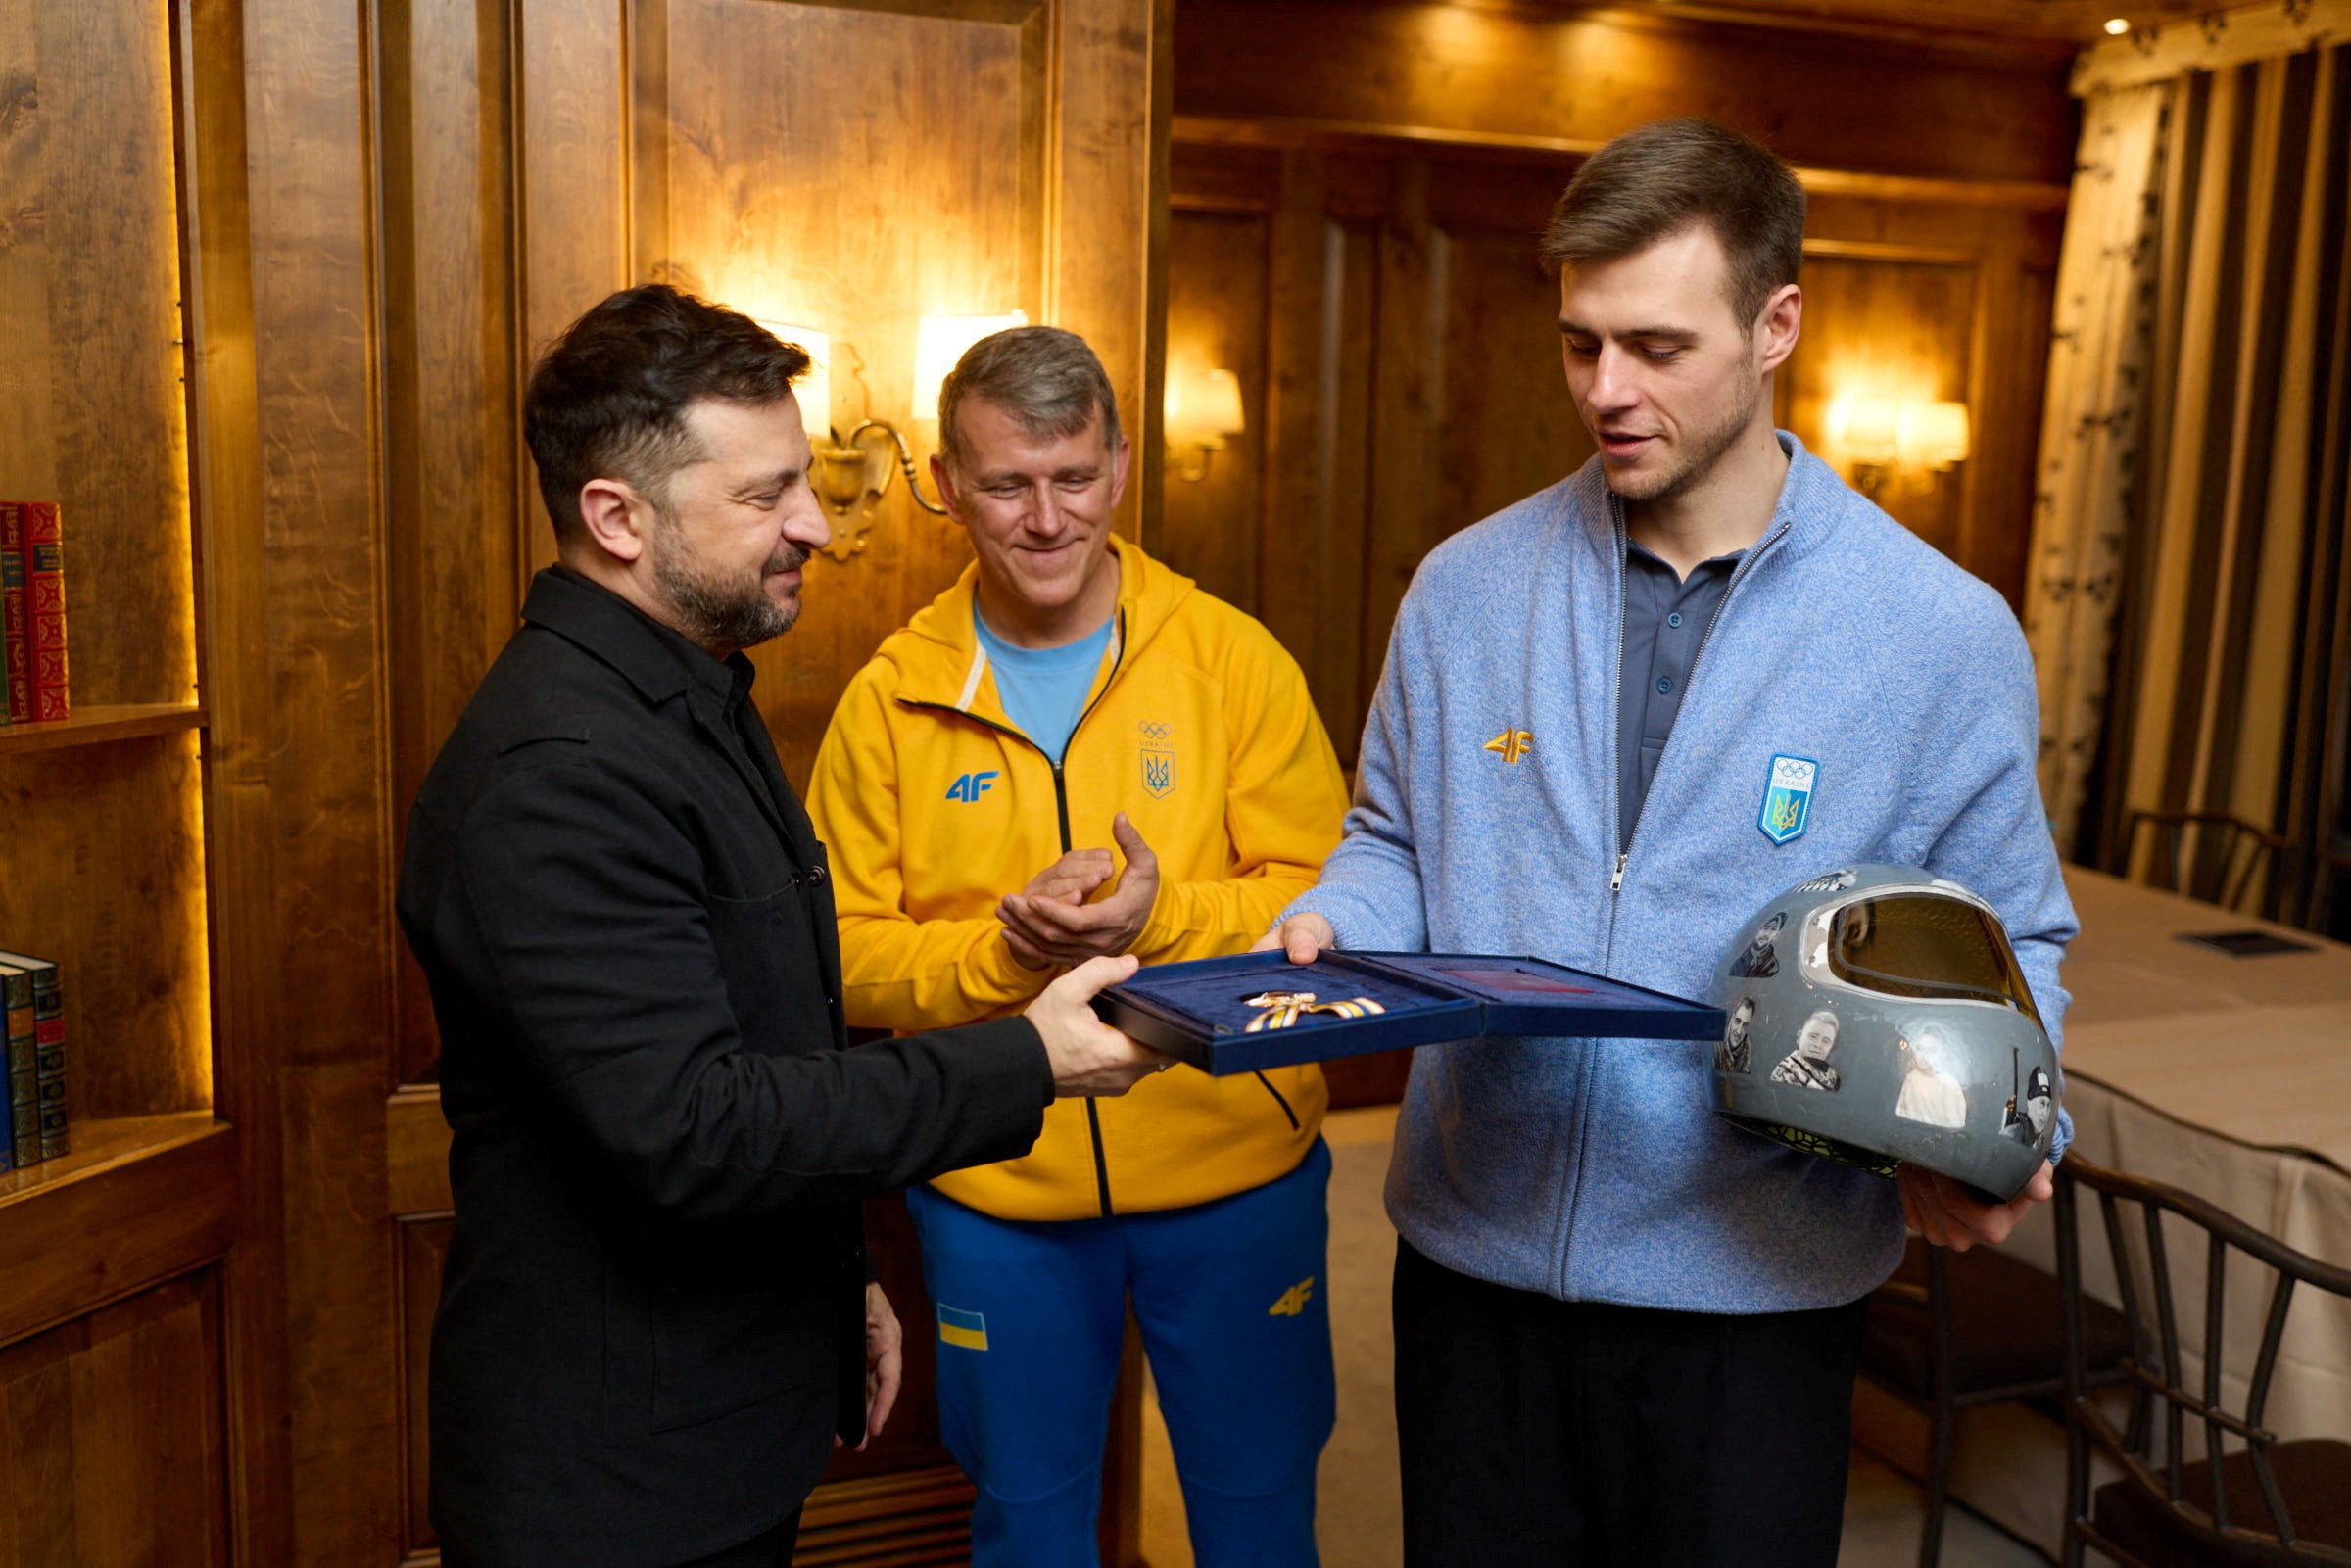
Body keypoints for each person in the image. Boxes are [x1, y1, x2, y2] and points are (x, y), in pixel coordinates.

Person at [1260, 118, 2078, 1567]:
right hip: (1475, 1273)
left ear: (1777, 325)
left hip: (1757, 1298)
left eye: (1655, 346)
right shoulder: (1464, 586)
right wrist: (1341, 911)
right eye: (1581, 344)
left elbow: (2013, 938)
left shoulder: (1938, 630)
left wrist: (1999, 1134)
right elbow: (1391, 829)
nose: (1607, 391)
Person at [396, 285, 1164, 1568]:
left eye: (804, 480)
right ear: (616, 517)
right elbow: (697, 1125)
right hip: (614, 1479)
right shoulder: (560, 773)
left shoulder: (686, 690)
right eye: (764, 497)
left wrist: (836, 1280)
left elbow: (771, 1031)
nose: (815, 523)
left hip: (728, 1411)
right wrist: (1033, 1055)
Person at [805, 325, 1351, 1566]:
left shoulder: (1234, 660)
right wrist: (1003, 959)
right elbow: (834, 951)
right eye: (1006, 483)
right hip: (1002, 1187)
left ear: (1118, 467)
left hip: (1238, 1172)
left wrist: (1162, 920)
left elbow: (1329, 899)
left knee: (1261, 1519)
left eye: (1074, 476)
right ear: (947, 484)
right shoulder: (890, 698)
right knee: (1029, 1526)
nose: (1046, 518)